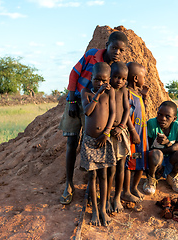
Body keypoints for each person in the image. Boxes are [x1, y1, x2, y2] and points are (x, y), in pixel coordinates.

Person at [59, 31, 128, 205]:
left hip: (96, 110)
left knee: (93, 145)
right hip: (77, 100)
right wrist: (72, 99)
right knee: (72, 142)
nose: (117, 52)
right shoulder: (91, 55)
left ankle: (92, 188)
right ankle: (68, 184)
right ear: (107, 45)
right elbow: (74, 74)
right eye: (114, 48)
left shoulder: (115, 68)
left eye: (121, 50)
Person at [79, 62, 116, 226]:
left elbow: (113, 113)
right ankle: (94, 209)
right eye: (96, 80)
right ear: (91, 78)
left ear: (108, 80)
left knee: (104, 175)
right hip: (89, 141)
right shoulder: (85, 92)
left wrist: (107, 132)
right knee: (92, 176)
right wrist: (98, 94)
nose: (100, 83)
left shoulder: (111, 93)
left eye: (103, 81)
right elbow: (88, 111)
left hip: (104, 140)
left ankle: (102, 209)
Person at [143, 101, 178, 195]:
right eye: (160, 114)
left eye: (167, 116)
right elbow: (147, 149)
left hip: (170, 161)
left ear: (174, 118)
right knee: (156, 154)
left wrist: (168, 143)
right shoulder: (152, 124)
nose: (162, 119)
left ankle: (172, 176)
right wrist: (171, 148)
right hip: (154, 162)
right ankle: (151, 178)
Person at [122, 62, 149, 202]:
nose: (145, 79)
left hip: (142, 137)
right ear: (135, 78)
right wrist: (133, 132)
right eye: (143, 76)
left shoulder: (137, 95)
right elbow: (126, 115)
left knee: (141, 162)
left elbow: (140, 111)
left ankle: (134, 188)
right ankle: (125, 191)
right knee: (129, 163)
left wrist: (144, 97)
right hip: (133, 135)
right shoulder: (127, 94)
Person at [106, 61, 130, 213]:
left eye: (122, 78)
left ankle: (117, 198)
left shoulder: (124, 91)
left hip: (121, 132)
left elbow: (127, 109)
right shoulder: (107, 90)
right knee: (110, 168)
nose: (119, 81)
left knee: (121, 167)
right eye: (116, 77)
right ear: (109, 77)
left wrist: (121, 126)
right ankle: (107, 198)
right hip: (109, 134)